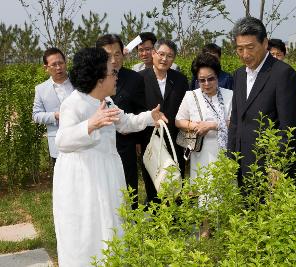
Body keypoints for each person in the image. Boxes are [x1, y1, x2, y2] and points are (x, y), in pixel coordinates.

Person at [52, 47, 166, 266]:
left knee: (110, 224)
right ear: (99, 78)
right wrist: (90, 124)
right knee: (87, 229)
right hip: (83, 177)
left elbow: (125, 123)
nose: (116, 77)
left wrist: (149, 117)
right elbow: (62, 141)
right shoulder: (74, 103)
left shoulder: (107, 101)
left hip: (106, 172)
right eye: (112, 73)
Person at [227, 17, 296, 189]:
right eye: (240, 49)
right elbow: (236, 120)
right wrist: (232, 159)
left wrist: (276, 167)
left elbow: (288, 128)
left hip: (269, 168)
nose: (245, 54)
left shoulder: (283, 74)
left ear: (265, 43)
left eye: (250, 47)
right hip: (243, 164)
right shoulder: (239, 75)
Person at [95, 34, 147, 209]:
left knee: (128, 186)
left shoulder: (135, 79)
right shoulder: (91, 79)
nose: (113, 59)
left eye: (117, 54)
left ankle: (131, 223)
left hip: (125, 143)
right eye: (108, 55)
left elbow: (141, 110)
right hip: (98, 145)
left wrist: (138, 140)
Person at [139, 39, 188, 204]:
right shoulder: (140, 79)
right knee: (153, 183)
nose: (164, 59)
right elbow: (135, 111)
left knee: (175, 183)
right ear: (153, 54)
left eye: (170, 56)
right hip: (149, 140)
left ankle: (175, 224)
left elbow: (185, 109)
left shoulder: (180, 80)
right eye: (161, 54)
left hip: (174, 140)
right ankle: (155, 224)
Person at [176, 52, 233, 179]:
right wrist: (195, 125)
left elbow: (235, 122)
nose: (207, 83)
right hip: (201, 150)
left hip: (226, 151)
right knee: (204, 190)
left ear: (218, 77)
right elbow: (179, 121)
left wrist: (212, 125)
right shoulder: (191, 96)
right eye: (202, 80)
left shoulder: (230, 95)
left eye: (211, 78)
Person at [32, 48, 74, 165]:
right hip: (58, 144)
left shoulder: (78, 81)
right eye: (53, 65)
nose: (58, 67)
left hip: (84, 140)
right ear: (46, 68)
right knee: (62, 182)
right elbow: (36, 115)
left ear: (66, 62)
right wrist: (55, 115)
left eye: (61, 63)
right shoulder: (41, 89)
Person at [268, 38, 296, 138]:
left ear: (284, 55)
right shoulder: (261, 74)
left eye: (278, 54)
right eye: (272, 54)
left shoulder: (290, 74)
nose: (275, 57)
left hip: (287, 121)